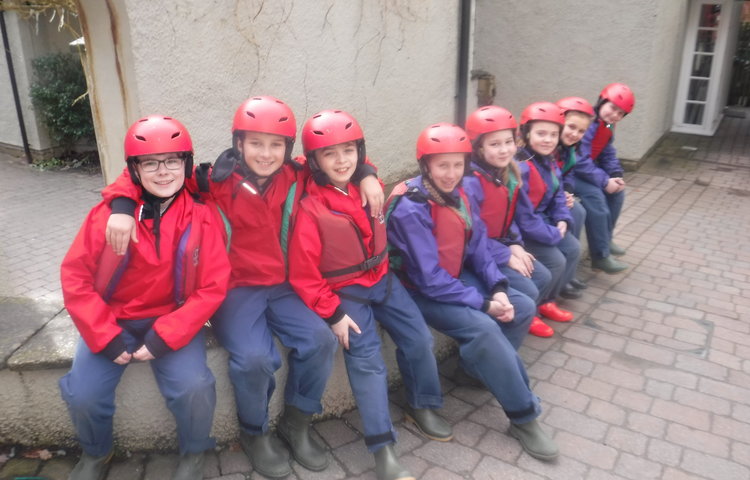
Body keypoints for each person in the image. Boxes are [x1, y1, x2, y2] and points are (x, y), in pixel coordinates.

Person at [101, 97, 385, 478]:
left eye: (276, 144)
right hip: (234, 290)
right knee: (254, 359)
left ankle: (297, 421)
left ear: (288, 150)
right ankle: (255, 433)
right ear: (238, 144)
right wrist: (121, 206)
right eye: (255, 143)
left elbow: (335, 160)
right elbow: (148, 176)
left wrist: (366, 171)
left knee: (320, 340)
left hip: (285, 286)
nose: (265, 154)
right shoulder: (211, 179)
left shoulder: (298, 174)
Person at [59, 115, 231, 480]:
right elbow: (75, 277)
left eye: (172, 160)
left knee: (194, 387)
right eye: (150, 162)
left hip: (173, 320)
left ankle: (194, 452)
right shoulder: (107, 217)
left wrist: (167, 335)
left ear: (186, 163)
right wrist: (103, 336)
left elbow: (213, 286)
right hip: (112, 319)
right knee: (84, 394)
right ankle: (96, 453)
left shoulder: (202, 216)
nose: (163, 171)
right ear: (134, 170)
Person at [289, 109, 451, 480]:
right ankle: (383, 448)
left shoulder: (364, 178)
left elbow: (360, 165)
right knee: (367, 361)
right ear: (314, 161)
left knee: (419, 338)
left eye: (349, 151)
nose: (341, 160)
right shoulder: (310, 207)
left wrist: (368, 174)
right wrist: (331, 313)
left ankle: (422, 403)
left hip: (383, 278)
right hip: (345, 293)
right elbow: (304, 273)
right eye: (329, 154)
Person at [386, 122, 558, 461]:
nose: (451, 173)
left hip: (450, 280)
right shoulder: (411, 207)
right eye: (442, 165)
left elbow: (477, 246)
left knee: (521, 306)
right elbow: (428, 278)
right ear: (426, 166)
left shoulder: (461, 193)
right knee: (484, 328)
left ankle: (477, 370)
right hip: (418, 290)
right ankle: (523, 416)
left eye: (457, 164)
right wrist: (483, 302)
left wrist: (498, 286)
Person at [463, 105, 555, 338]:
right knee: (528, 287)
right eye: (495, 144)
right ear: (478, 148)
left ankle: (522, 319)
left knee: (542, 275)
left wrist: (515, 244)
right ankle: (509, 328)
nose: (504, 150)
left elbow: (508, 215)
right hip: (475, 254)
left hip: (497, 245)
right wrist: (506, 256)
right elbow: (473, 234)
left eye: (508, 142)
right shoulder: (470, 183)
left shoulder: (507, 171)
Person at [514, 102, 582, 332]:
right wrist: (553, 233)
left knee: (572, 249)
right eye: (541, 133)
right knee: (555, 260)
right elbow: (522, 217)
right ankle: (531, 310)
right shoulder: (522, 167)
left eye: (554, 134)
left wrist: (563, 218)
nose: (548, 139)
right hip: (523, 228)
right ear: (526, 133)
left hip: (543, 221)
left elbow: (557, 194)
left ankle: (547, 301)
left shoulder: (549, 160)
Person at [573, 83, 635, 274]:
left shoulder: (607, 124)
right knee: (595, 196)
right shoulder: (588, 122)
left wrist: (615, 175)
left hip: (586, 171)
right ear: (601, 102)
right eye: (612, 108)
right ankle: (600, 256)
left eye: (620, 113)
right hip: (571, 171)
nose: (614, 115)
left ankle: (605, 239)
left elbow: (607, 152)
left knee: (617, 193)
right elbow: (579, 159)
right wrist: (603, 181)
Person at [555, 96, 595, 292]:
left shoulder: (570, 149)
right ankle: (562, 278)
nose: (575, 134)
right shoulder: (549, 147)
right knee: (575, 213)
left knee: (578, 212)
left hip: (558, 195)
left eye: (581, 131)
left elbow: (567, 174)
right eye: (571, 127)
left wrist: (567, 191)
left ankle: (568, 275)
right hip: (546, 200)